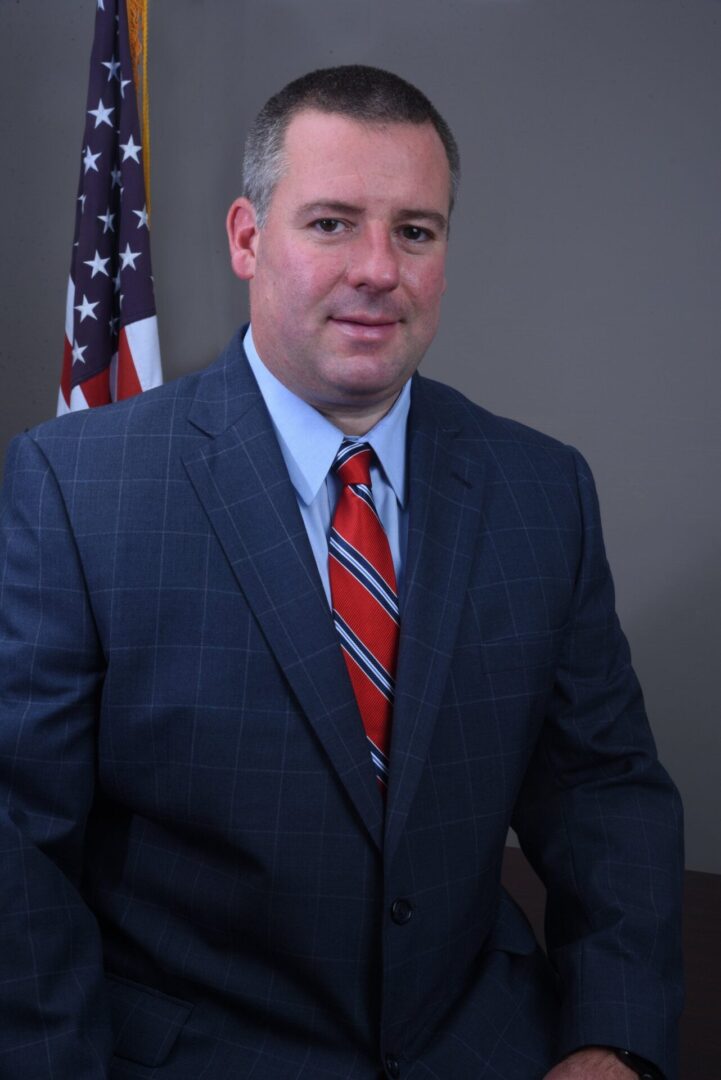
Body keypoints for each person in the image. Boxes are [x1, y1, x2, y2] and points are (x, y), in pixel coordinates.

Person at [0, 65, 683, 1080]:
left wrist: (610, 1041)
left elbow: (604, 790)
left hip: (484, 1046)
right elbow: (19, 840)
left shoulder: (542, 490)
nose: (377, 268)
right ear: (246, 238)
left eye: (414, 230)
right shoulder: (80, 487)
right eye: (330, 223)